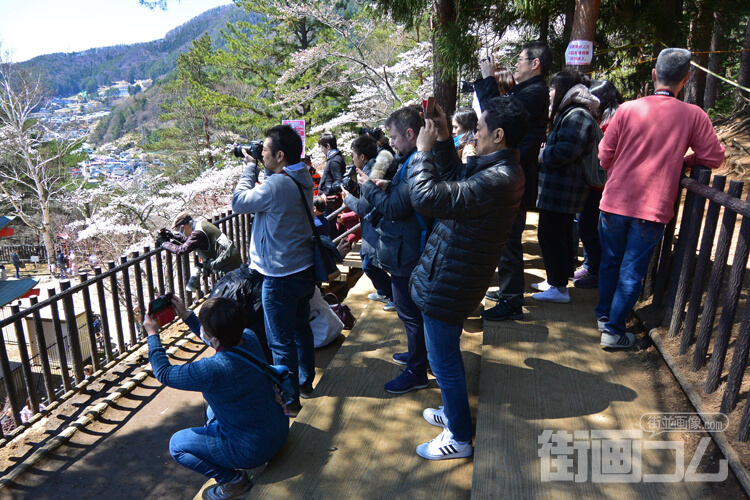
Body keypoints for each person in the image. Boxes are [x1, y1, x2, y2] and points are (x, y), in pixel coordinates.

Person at [408, 97, 528, 460]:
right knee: (447, 355)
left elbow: (427, 197)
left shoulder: (497, 178)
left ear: (499, 135)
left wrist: (423, 153)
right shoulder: (498, 169)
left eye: (480, 128)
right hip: (455, 272)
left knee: (443, 359)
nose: (474, 133)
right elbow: (454, 184)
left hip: (450, 279)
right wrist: (444, 138)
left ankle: (459, 436)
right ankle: (455, 409)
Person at [595, 48, 725, 348]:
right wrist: (685, 160)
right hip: (651, 209)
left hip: (613, 201)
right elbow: (714, 157)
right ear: (687, 78)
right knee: (631, 273)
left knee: (609, 264)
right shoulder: (693, 115)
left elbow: (604, 156)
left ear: (654, 75)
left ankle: (604, 318)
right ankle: (613, 332)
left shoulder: (627, 109)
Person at [144, 296, 288, 500]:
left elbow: (164, 374)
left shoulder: (211, 370)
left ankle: (233, 481)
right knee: (213, 408)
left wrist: (152, 334)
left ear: (213, 337)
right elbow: (220, 340)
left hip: (253, 450)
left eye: (204, 329)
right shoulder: (248, 336)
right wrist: (187, 316)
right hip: (279, 429)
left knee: (177, 445)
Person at [231, 124, 316, 409]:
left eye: (264, 150)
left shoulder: (277, 184)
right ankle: (305, 381)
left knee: (280, 342)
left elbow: (239, 202)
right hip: (303, 267)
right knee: (301, 328)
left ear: (280, 155)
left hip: (279, 275)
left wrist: (248, 167)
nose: (260, 153)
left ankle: (289, 400)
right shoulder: (300, 175)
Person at [357, 106, 432, 394]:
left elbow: (395, 207)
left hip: (408, 250)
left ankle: (416, 370)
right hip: (407, 246)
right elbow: (405, 196)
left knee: (409, 312)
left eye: (395, 137)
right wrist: (387, 184)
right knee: (410, 312)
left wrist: (368, 187)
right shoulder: (414, 160)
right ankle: (418, 356)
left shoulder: (414, 162)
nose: (392, 143)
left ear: (411, 134)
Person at [475, 42, 552, 321]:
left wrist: (487, 79)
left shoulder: (535, 92)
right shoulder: (530, 91)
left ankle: (511, 300)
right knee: (506, 237)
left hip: (515, 173)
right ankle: (509, 292)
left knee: (508, 238)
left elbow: (497, 116)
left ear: (535, 64)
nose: (515, 64)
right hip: (515, 169)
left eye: (520, 59)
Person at [532, 70, 600, 304]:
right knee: (553, 235)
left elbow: (567, 151)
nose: (550, 93)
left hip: (564, 191)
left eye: (553, 87)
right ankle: (555, 280)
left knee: (554, 236)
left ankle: (559, 288)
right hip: (560, 190)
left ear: (563, 89)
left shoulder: (577, 115)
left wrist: (543, 155)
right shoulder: (573, 112)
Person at [572, 79, 624, 289]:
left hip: (604, 183)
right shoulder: (603, 117)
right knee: (588, 227)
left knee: (592, 228)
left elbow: (606, 152)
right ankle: (591, 264)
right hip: (595, 182)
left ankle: (596, 271)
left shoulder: (615, 119)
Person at [342, 135, 395, 312]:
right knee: (369, 261)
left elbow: (363, 208)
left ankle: (392, 296)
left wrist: (347, 198)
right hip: (375, 225)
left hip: (375, 226)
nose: (352, 159)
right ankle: (383, 291)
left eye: (353, 155)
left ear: (362, 156)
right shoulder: (372, 168)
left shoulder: (370, 173)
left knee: (370, 264)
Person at [158, 213, 242, 292]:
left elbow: (181, 250)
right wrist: (173, 236)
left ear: (183, 227)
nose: (180, 232)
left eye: (179, 229)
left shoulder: (198, 232)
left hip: (227, 267)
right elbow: (189, 241)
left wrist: (163, 243)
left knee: (232, 294)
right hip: (230, 261)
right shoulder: (201, 225)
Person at [318, 132, 346, 217]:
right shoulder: (334, 158)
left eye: (322, 147)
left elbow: (338, 182)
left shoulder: (334, 160)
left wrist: (325, 193)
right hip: (329, 200)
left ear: (328, 146)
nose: (322, 150)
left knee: (330, 227)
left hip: (330, 201)